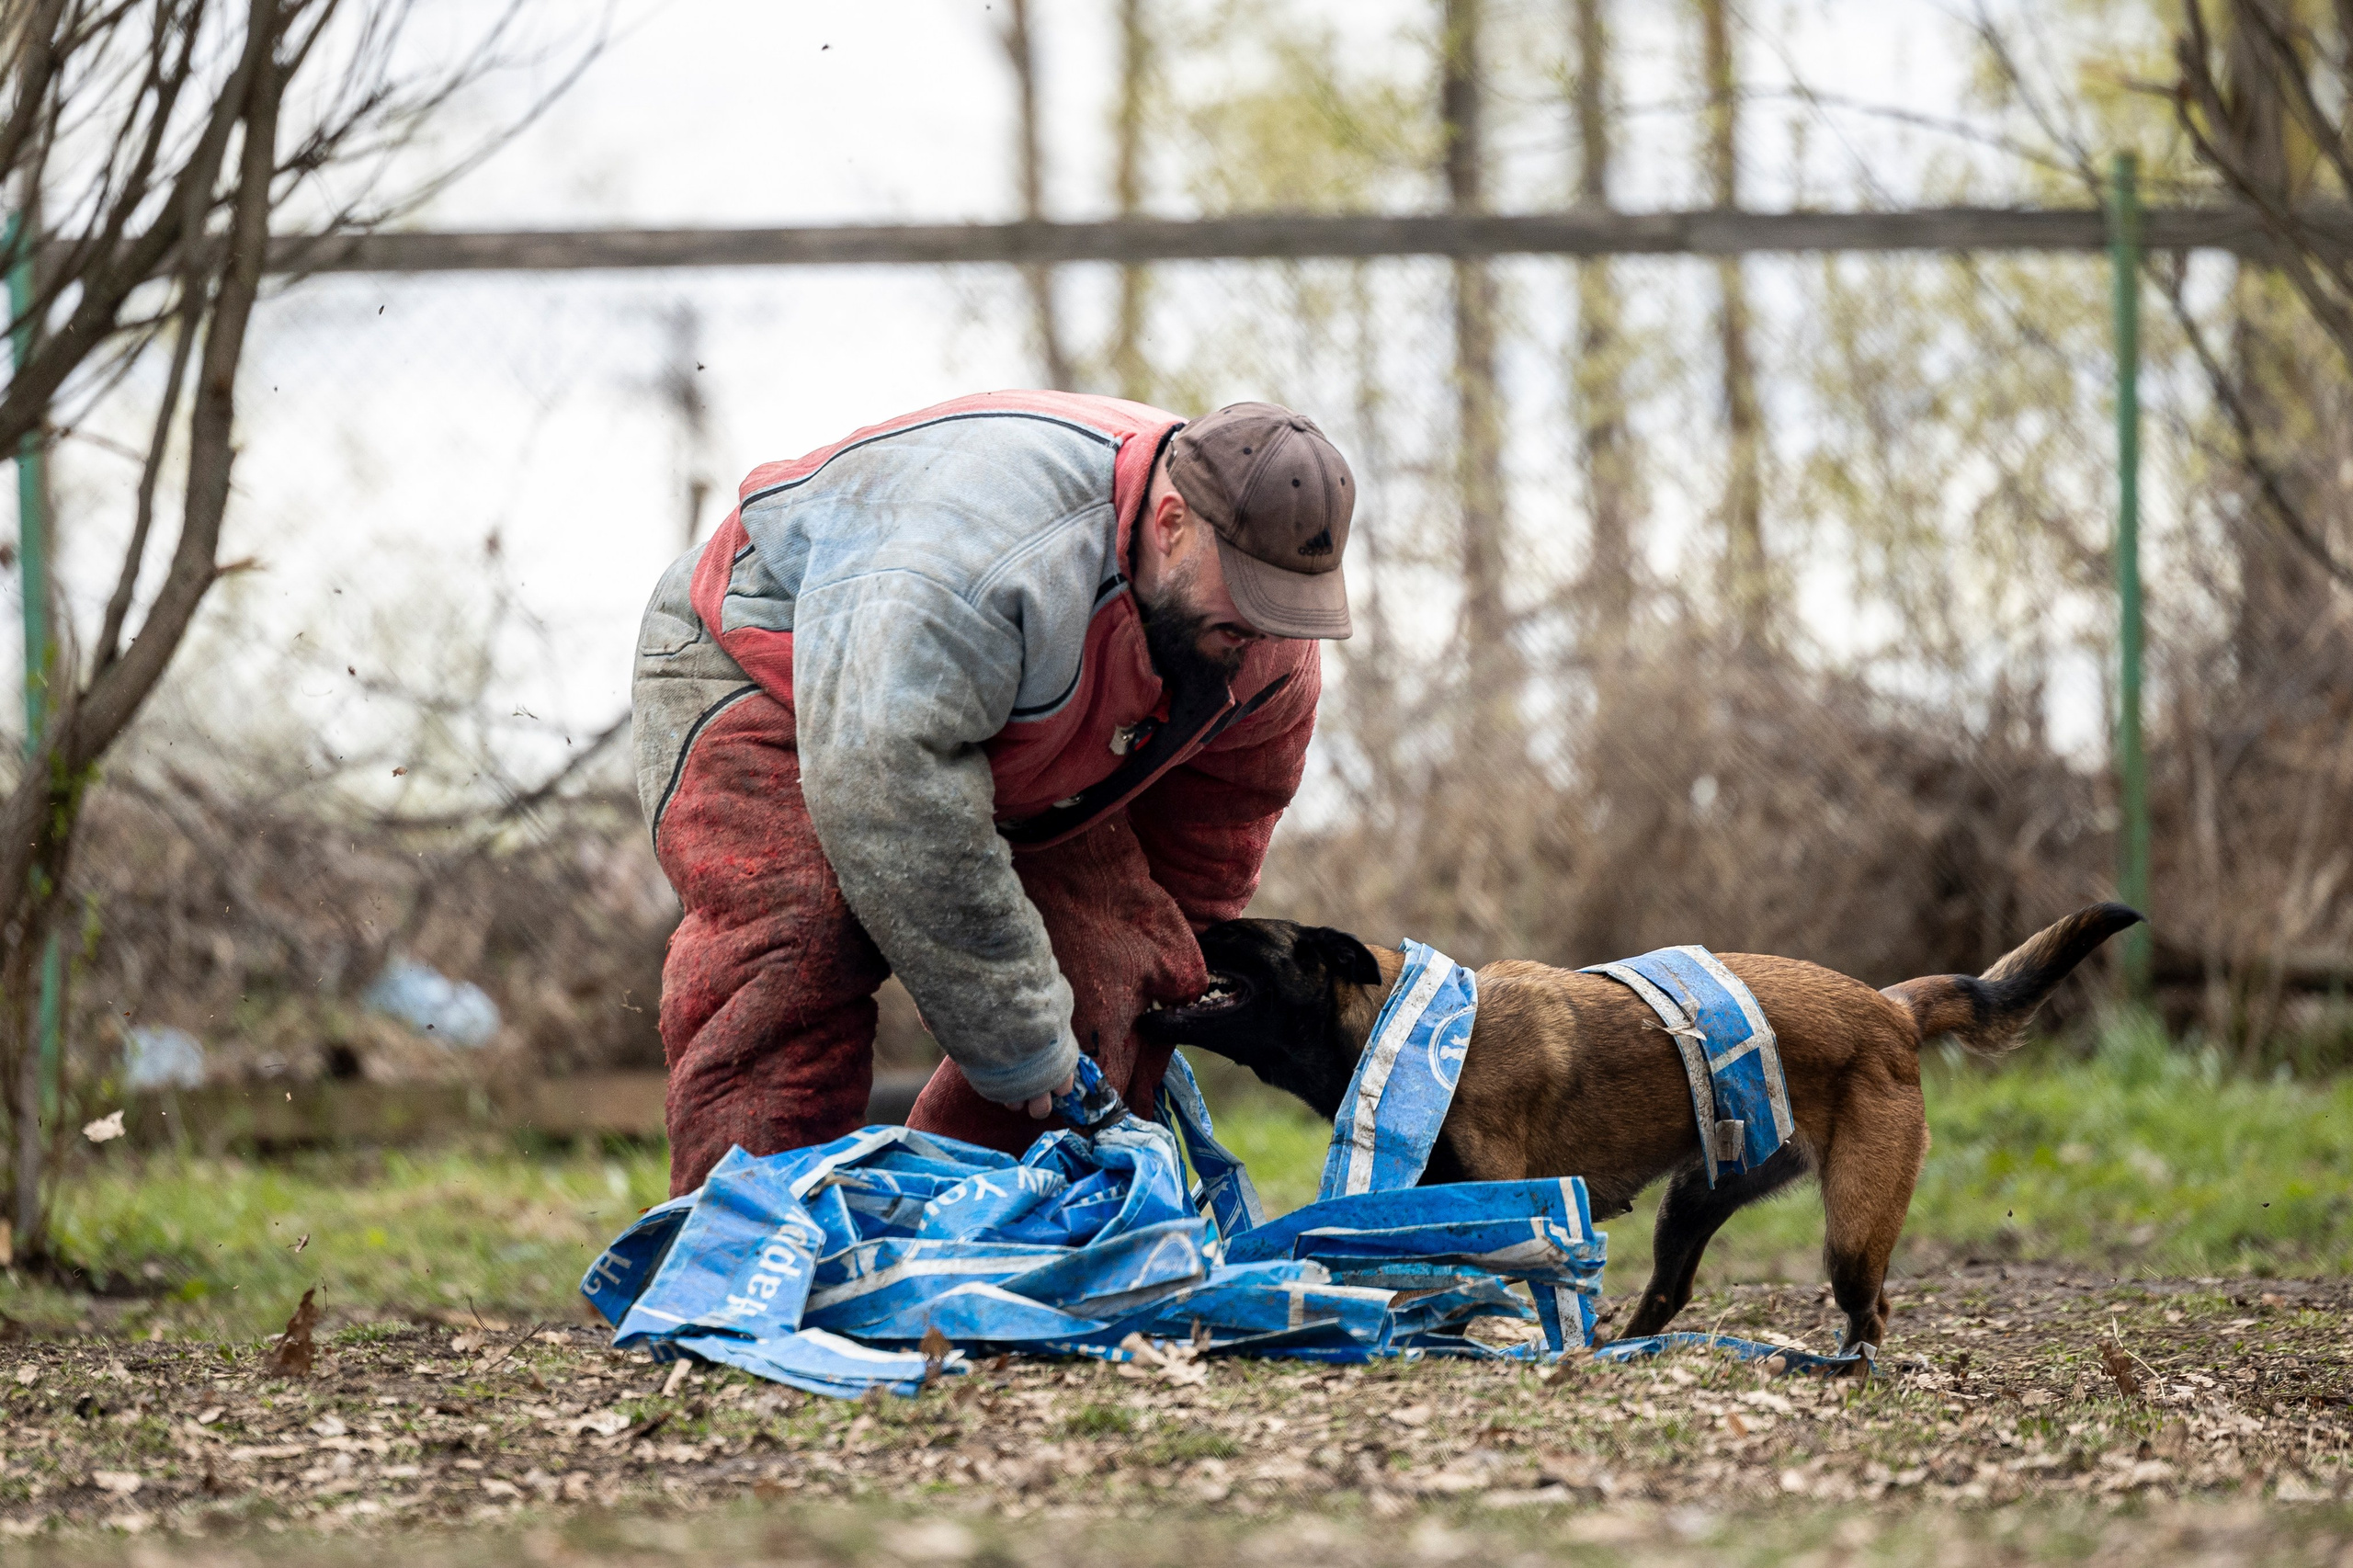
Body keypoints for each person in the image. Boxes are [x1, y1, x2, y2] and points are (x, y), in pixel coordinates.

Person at [631, 391, 1356, 1193]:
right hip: (772, 664)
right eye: (1248, 593)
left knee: (1117, 973)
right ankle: (739, 1262)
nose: (1266, 629)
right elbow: (890, 799)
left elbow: (1212, 837)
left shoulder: (1264, 644)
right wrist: (1017, 1035)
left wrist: (1151, 987)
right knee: (802, 941)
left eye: (1288, 604)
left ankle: (983, 1249)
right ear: (1172, 523)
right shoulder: (987, 563)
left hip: (990, 727)